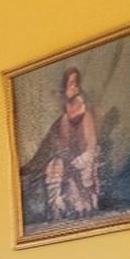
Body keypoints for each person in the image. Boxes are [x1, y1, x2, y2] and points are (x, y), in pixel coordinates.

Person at [27, 65, 102, 216]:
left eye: (76, 83)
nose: (74, 87)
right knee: (55, 168)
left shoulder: (85, 111)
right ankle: (56, 210)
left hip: (84, 156)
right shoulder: (63, 117)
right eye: (70, 83)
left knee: (80, 174)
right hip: (67, 159)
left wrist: (84, 157)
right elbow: (60, 144)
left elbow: (91, 142)